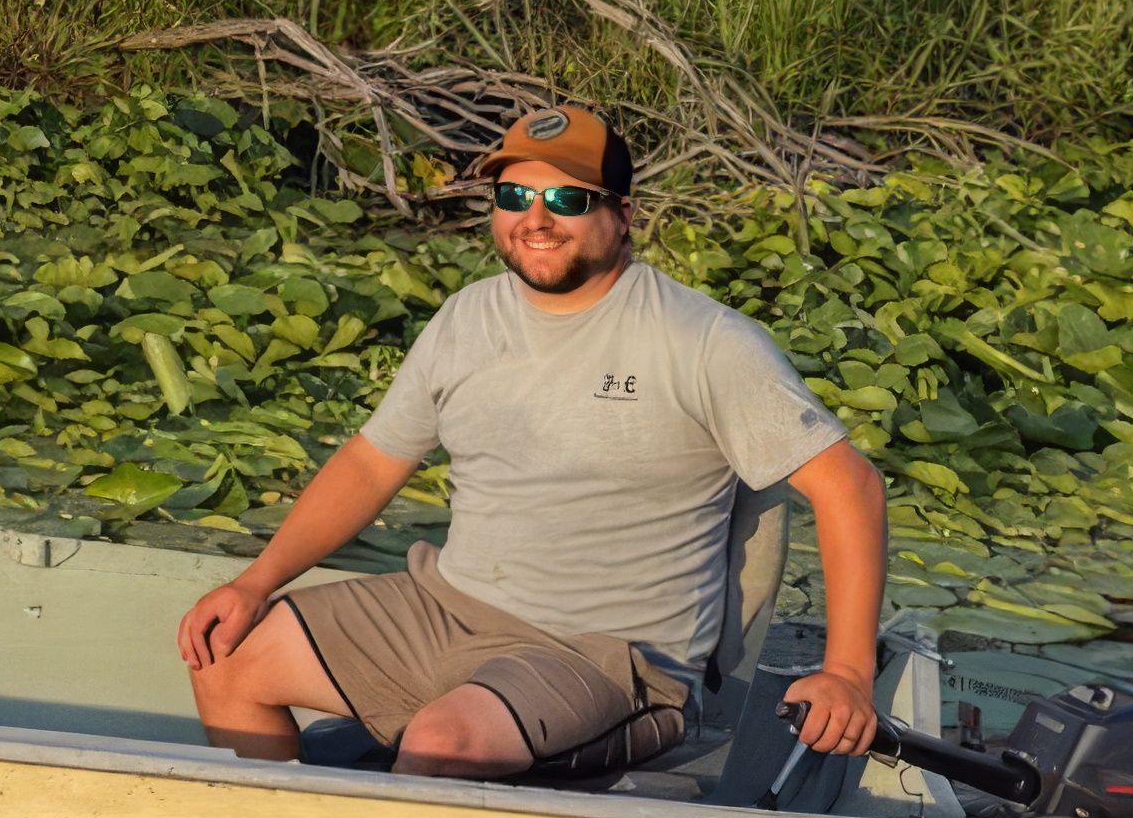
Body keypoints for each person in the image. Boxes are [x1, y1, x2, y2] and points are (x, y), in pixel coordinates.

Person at [176, 103, 885, 780]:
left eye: (568, 200)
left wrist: (848, 674)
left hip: (608, 656)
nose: (535, 220)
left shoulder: (704, 342)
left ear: (624, 216)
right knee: (226, 660)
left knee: (440, 741)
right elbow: (370, 463)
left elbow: (849, 486)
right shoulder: (465, 319)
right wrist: (255, 581)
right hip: (448, 605)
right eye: (513, 196)